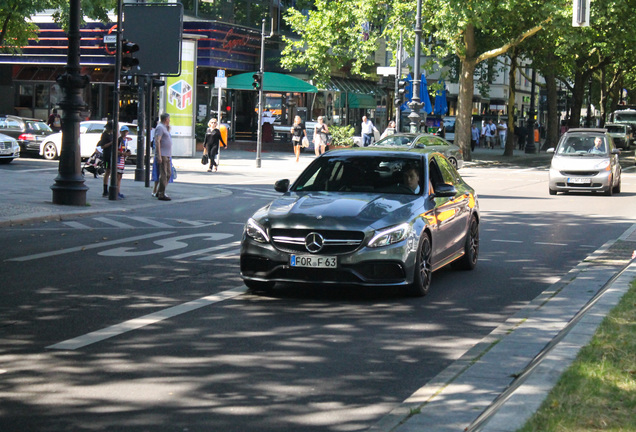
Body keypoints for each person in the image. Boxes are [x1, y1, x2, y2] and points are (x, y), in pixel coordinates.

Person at [154, 113, 173, 201]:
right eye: (169, 119)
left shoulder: (165, 128)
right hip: (163, 154)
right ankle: (161, 194)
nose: (169, 120)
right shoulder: (160, 127)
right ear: (166, 119)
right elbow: (157, 141)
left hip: (167, 154)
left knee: (169, 174)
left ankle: (160, 191)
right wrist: (159, 155)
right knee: (164, 174)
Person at [115, 125, 132, 199]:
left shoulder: (125, 140)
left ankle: (118, 191)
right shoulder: (119, 140)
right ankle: (116, 191)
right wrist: (123, 153)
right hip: (118, 160)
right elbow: (116, 150)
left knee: (120, 176)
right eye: (123, 131)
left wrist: (126, 153)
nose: (125, 133)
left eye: (126, 131)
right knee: (117, 176)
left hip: (122, 160)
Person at [99, 121, 114, 197]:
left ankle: (109, 188)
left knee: (110, 171)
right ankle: (105, 189)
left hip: (111, 154)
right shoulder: (104, 135)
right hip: (107, 154)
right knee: (108, 171)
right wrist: (111, 143)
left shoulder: (112, 134)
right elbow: (102, 146)